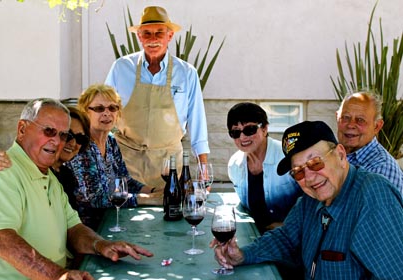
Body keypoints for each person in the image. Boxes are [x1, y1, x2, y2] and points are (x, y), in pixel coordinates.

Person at [0, 98, 153, 279]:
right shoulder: (0, 170)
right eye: (49, 131)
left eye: (63, 135)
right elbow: (2, 242)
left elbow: (73, 228)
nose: (57, 142)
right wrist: (58, 275)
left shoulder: (50, 177)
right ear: (22, 129)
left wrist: (101, 245)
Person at [211, 120, 403, 279]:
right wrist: (243, 255)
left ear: (341, 155)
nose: (309, 178)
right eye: (298, 171)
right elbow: (286, 238)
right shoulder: (310, 200)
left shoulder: (374, 196)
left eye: (315, 163)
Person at [105, 6, 210, 190]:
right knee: (125, 216)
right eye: (147, 33)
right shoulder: (121, 68)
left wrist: (203, 167)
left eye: (159, 33)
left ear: (169, 36)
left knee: (170, 213)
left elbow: (197, 121)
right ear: (139, 36)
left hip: (168, 167)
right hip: (126, 164)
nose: (153, 39)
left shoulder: (186, 73)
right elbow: (103, 112)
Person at [66, 84, 162, 230]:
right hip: (89, 229)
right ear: (86, 112)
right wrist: (149, 200)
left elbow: (125, 181)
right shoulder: (81, 144)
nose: (107, 113)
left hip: (115, 220)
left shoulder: (110, 140)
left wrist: (155, 191)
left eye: (112, 108)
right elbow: (95, 199)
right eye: (99, 109)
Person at [227, 102, 302, 234]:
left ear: (265, 128)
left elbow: (313, 200)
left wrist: (287, 225)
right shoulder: (234, 164)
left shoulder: (289, 157)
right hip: (255, 237)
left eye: (249, 130)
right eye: (235, 132)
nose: (243, 137)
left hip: (294, 236)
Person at [336, 91, 403, 194]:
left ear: (377, 126)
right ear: (337, 118)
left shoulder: (381, 168)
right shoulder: (330, 154)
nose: (351, 125)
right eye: (345, 117)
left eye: (360, 120)